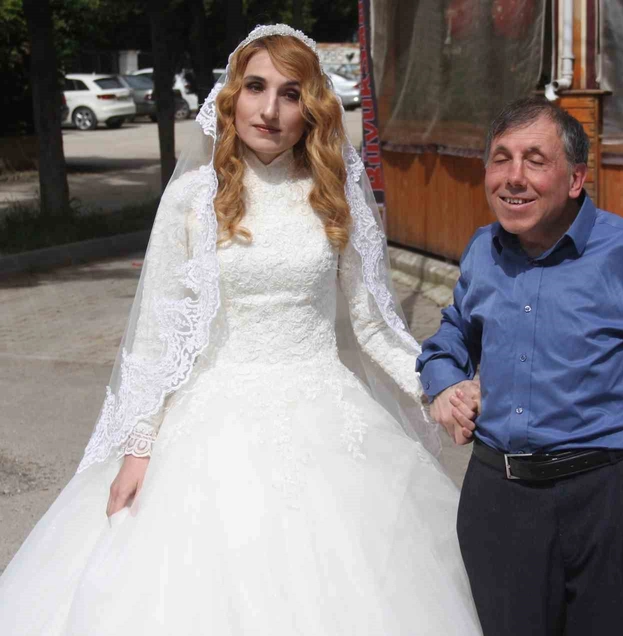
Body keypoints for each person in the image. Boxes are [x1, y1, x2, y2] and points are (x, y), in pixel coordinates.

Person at [0, 25, 483, 635]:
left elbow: (375, 324)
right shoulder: (193, 199)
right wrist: (139, 448)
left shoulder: (335, 196)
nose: (269, 109)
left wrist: (435, 388)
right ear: (231, 97)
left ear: (312, 109)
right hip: (210, 423)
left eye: (290, 93)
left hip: (325, 416)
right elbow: (158, 333)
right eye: (256, 87)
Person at [417, 96, 623, 636]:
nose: (513, 178)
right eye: (500, 159)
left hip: (607, 508)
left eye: (535, 160)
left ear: (576, 179)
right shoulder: (482, 251)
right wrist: (444, 383)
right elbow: (451, 338)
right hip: (497, 506)